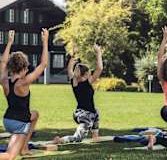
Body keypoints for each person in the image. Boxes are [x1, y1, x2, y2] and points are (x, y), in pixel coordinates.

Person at [0, 29, 48, 159]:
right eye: (26, 68)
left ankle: (25, 147)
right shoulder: (23, 83)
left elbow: (3, 62)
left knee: (35, 114)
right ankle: (21, 148)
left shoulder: (4, 80)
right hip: (19, 124)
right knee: (10, 156)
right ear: (22, 68)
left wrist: (9, 42)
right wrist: (45, 42)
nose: (27, 70)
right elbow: (43, 64)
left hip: (7, 120)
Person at [52, 44, 103, 144]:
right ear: (86, 74)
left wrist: (74, 54)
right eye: (89, 73)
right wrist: (98, 52)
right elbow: (99, 68)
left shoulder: (74, 81)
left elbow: (69, 69)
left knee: (96, 112)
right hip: (85, 116)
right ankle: (61, 140)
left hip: (80, 113)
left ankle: (95, 136)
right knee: (78, 138)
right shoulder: (87, 82)